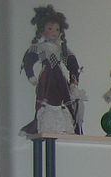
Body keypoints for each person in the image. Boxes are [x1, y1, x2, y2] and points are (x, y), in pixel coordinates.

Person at [21, 5, 85, 135]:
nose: (53, 32)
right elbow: (28, 60)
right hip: (47, 77)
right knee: (46, 100)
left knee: (63, 99)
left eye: (56, 29)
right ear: (43, 30)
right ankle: (44, 124)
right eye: (50, 29)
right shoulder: (40, 47)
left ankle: (63, 124)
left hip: (59, 78)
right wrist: (30, 75)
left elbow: (73, 65)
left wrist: (74, 81)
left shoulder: (62, 50)